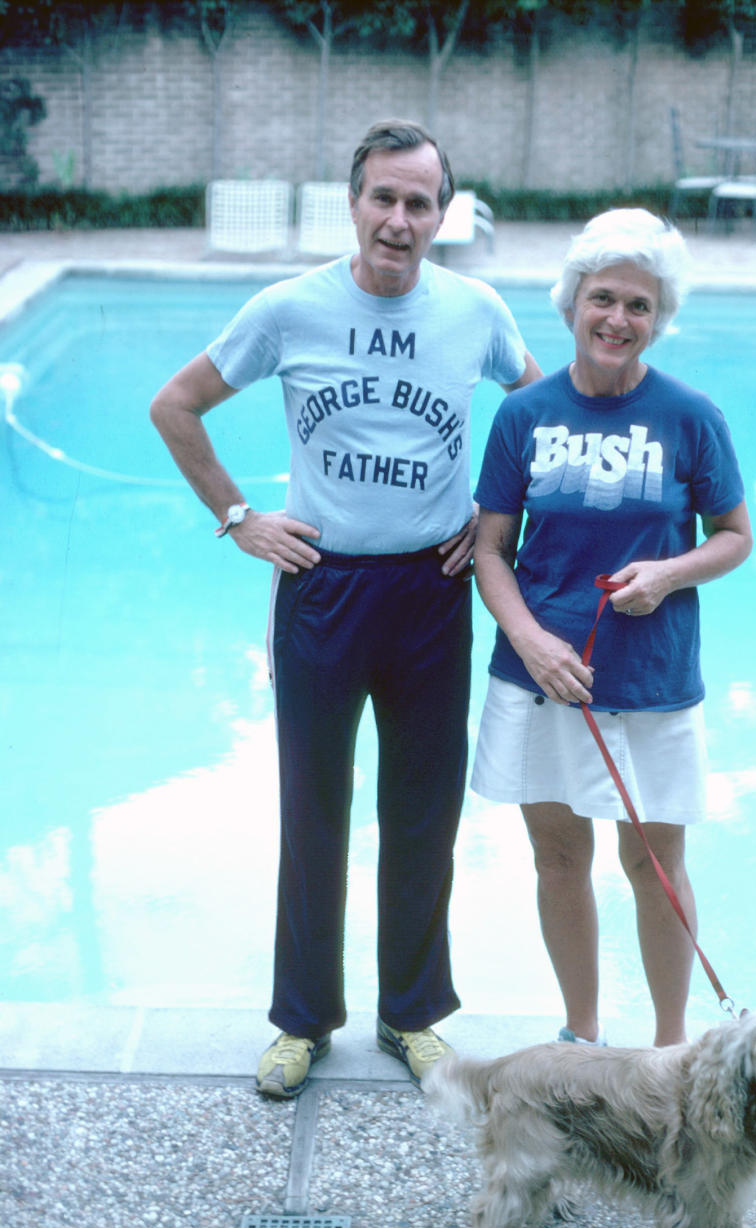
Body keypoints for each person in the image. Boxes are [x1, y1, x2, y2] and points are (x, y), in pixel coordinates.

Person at [150, 120, 540, 1097]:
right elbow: (175, 405)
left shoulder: (475, 309)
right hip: (321, 588)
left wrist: (499, 529)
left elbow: (544, 419)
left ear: (443, 213)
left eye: (420, 202)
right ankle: (301, 1021)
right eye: (383, 198)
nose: (399, 220)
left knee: (422, 813)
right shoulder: (291, 308)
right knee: (312, 809)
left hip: (432, 590)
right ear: (352, 202)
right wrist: (239, 517)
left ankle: (412, 1015)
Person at [470, 209, 752, 1049]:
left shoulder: (691, 415)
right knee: (558, 862)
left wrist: (668, 573)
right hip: (543, 677)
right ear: (570, 304)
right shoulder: (524, 416)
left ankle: (669, 1053)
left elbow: (735, 537)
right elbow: (489, 548)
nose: (618, 320)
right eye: (604, 299)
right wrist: (530, 640)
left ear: (658, 319)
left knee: (654, 868)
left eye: (639, 305)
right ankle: (582, 1042)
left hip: (653, 680)